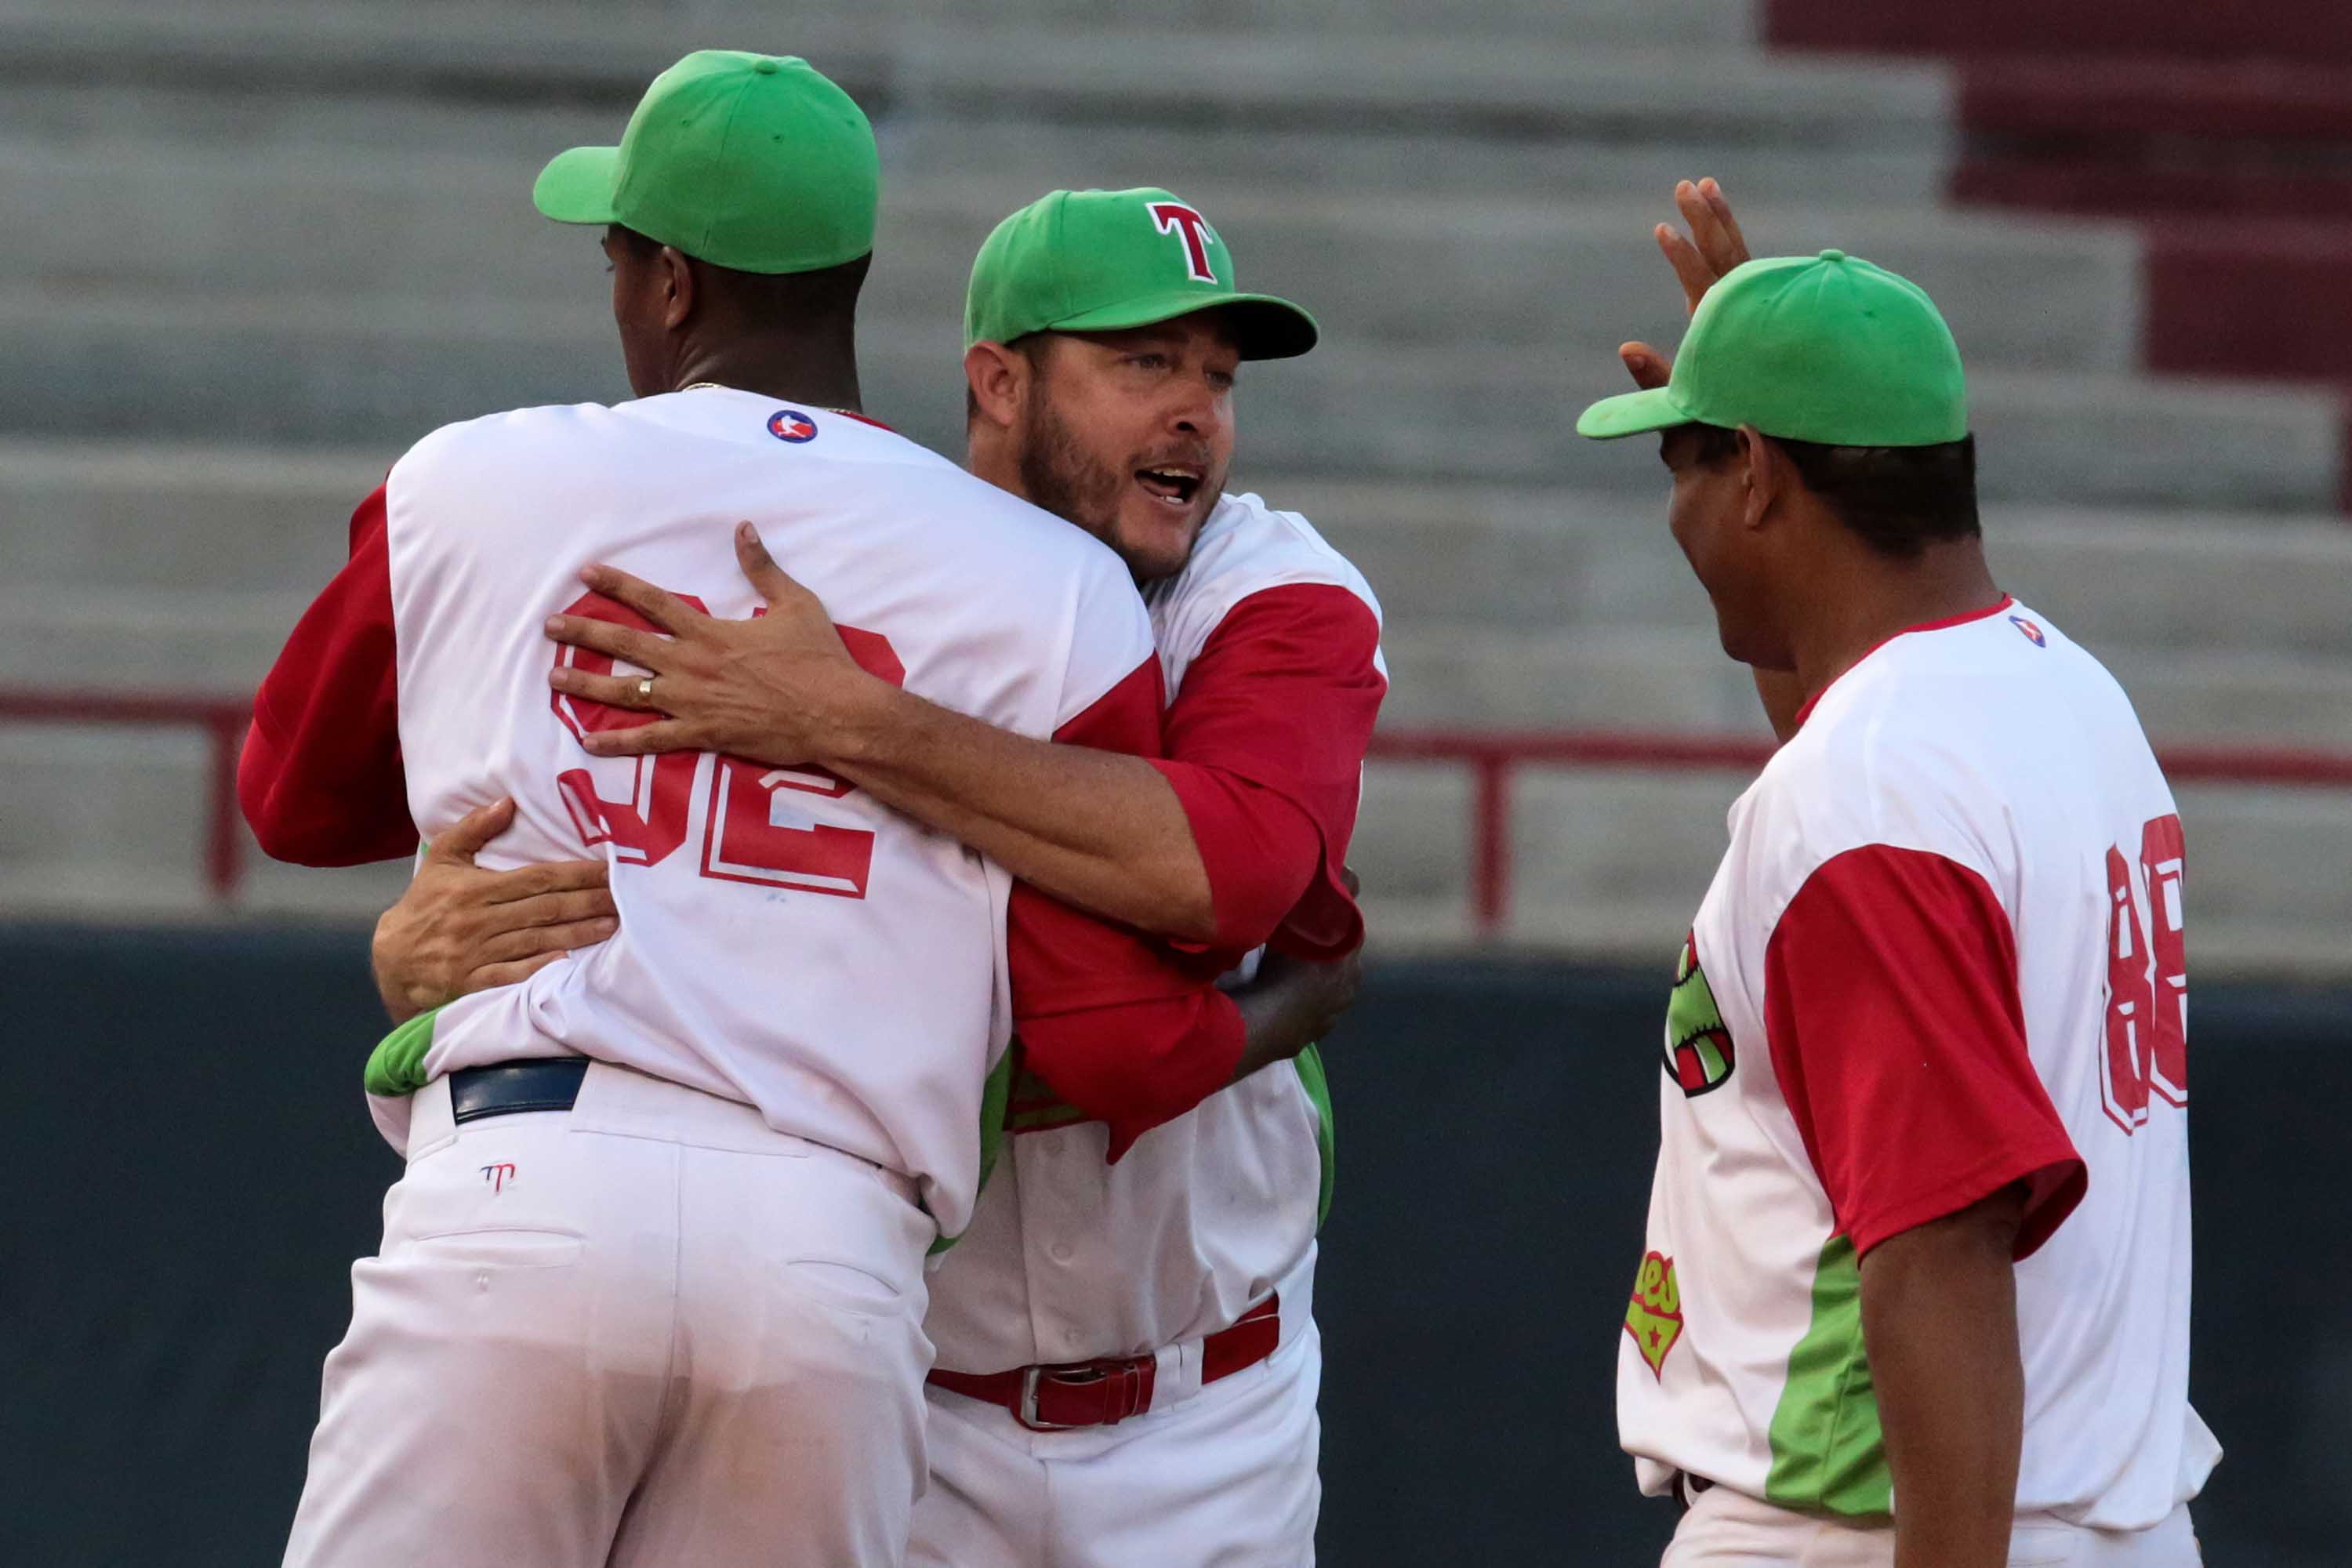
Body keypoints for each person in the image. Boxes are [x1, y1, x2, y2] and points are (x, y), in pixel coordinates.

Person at [241, 56, 1308, 1568]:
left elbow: (290, 799)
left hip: (526, 1182)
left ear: (667, 282)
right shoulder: (1050, 584)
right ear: (856, 278)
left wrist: (467, 859)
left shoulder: (472, 482)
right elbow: (1093, 1024)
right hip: (833, 1253)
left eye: (617, 253)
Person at [1577, 235, 2217, 1564]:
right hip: (2106, 1512)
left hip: (1865, 1524)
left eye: (1682, 462)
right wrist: (1774, 361)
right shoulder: (2065, 691)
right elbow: (1851, 728)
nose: (1673, 511)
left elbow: (1941, 1253)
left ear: (1755, 474)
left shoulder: (1865, 792)